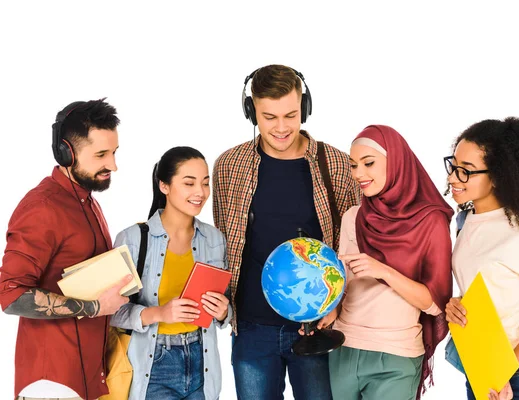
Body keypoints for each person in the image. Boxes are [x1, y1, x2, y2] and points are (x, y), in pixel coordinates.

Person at [212, 64, 360, 400]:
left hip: (317, 325)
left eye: (291, 115)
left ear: (304, 108)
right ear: (251, 111)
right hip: (251, 328)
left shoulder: (336, 164)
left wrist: (337, 303)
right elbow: (224, 242)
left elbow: (354, 240)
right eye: (269, 117)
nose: (281, 128)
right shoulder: (228, 165)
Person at [0, 99, 131, 400]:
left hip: (86, 378)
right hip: (53, 384)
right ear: (66, 153)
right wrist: (95, 307)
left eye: (114, 152)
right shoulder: (42, 207)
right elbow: (10, 295)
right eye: (101, 154)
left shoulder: (87, 201)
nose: (113, 165)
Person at [314, 125, 454, 400]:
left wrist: (384, 271)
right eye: (353, 165)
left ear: (397, 162)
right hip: (344, 347)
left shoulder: (430, 221)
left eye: (369, 163)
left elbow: (436, 303)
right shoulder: (353, 217)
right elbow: (344, 281)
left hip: (396, 355)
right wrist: (333, 309)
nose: (359, 174)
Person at [443, 117, 519, 400]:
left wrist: (505, 368)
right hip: (480, 364)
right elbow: (486, 286)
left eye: (466, 171)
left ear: (498, 175)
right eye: (454, 166)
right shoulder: (466, 220)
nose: (453, 177)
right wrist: (457, 305)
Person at [111, 146, 231, 400]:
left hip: (203, 361)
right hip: (153, 363)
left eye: (205, 183)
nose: (200, 192)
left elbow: (226, 307)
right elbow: (111, 312)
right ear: (164, 186)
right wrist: (160, 312)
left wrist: (224, 312)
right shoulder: (132, 239)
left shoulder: (214, 238)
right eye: (189, 183)